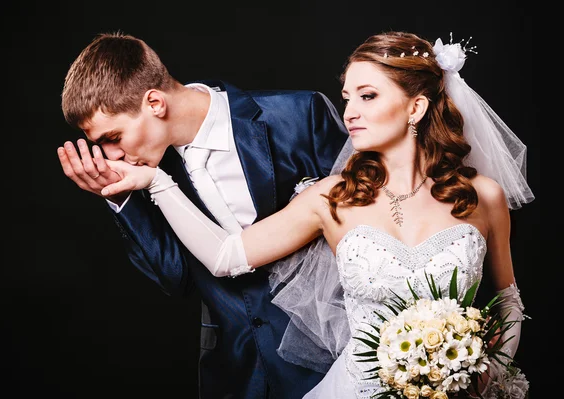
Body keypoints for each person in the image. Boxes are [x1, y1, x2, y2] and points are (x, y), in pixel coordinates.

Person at [98, 31, 534, 398]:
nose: (349, 113)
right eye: (347, 97)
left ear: (415, 108)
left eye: (368, 96)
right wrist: (158, 184)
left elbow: (509, 299)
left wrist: (489, 369)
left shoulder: (483, 196)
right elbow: (226, 255)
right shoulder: (333, 197)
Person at [57, 32, 349, 398]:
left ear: (154, 103)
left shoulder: (298, 115)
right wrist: (120, 196)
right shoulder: (147, 172)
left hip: (330, 359)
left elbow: (369, 230)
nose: (110, 155)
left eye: (113, 137)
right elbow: (176, 278)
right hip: (236, 373)